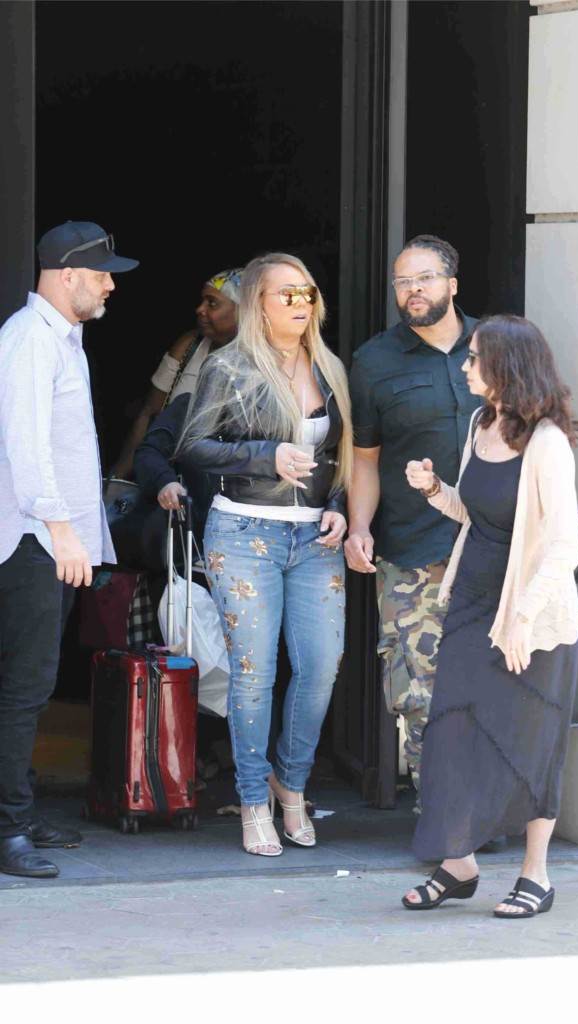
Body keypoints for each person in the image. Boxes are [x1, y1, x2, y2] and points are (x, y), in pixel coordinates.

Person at [401, 314, 578, 918]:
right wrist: (434, 490)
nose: (465, 365)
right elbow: (476, 513)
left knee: (530, 743)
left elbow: (563, 546)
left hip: (531, 617)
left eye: (475, 356)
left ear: (507, 365)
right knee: (452, 734)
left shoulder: (547, 442)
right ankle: (459, 864)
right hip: (473, 605)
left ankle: (536, 875)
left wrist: (523, 619)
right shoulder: (482, 424)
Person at [178, 253, 352, 856]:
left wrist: (340, 504)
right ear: (257, 302)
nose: (301, 303)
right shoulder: (229, 366)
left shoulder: (329, 366)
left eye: (307, 293)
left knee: (322, 666)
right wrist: (264, 456)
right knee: (254, 673)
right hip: (244, 530)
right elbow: (192, 445)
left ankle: (291, 785)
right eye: (287, 294)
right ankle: (254, 799)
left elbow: (346, 454)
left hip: (316, 536)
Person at [0, 221, 138, 879]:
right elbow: (26, 448)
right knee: (23, 688)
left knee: (31, 685)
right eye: (103, 273)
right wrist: (60, 532)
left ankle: (18, 812)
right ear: (68, 274)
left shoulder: (61, 339)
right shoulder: (31, 339)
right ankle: (7, 828)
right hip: (32, 541)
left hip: (48, 541)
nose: (111, 285)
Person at [345, 235, 480, 800]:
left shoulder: (497, 346)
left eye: (425, 278)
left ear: (452, 283)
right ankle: (443, 814)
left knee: (493, 683)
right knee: (418, 689)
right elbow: (364, 459)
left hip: (494, 548)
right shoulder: (374, 361)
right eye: (403, 282)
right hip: (412, 549)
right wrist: (359, 526)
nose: (413, 290)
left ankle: (485, 812)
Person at [110, 268, 241, 479]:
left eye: (212, 303)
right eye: (202, 301)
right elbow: (149, 413)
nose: (200, 309)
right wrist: (118, 477)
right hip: (168, 478)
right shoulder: (189, 346)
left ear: (242, 311)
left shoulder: (263, 363)